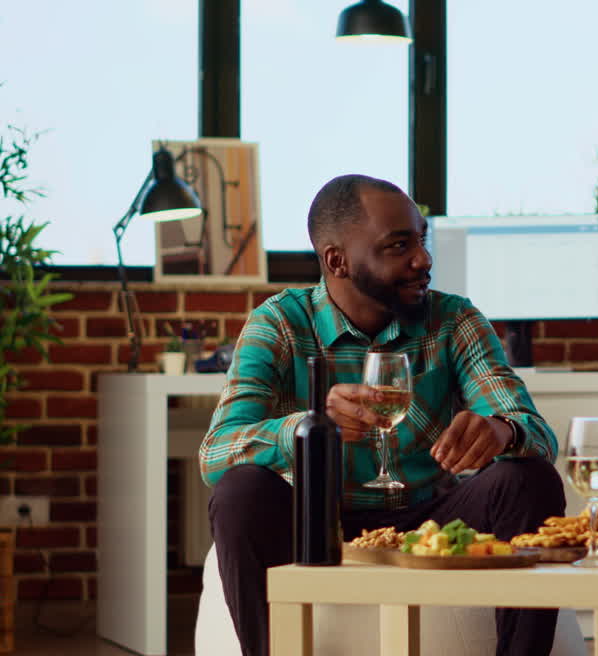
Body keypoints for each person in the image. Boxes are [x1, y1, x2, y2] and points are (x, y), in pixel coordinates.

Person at [199, 175, 565, 656]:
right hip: (318, 524)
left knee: (528, 477)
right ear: (337, 260)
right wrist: (306, 429)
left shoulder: (454, 320)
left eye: (421, 240)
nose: (423, 259)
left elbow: (537, 432)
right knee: (240, 492)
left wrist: (502, 430)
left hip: (431, 523)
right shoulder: (281, 324)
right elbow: (216, 454)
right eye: (399, 245)